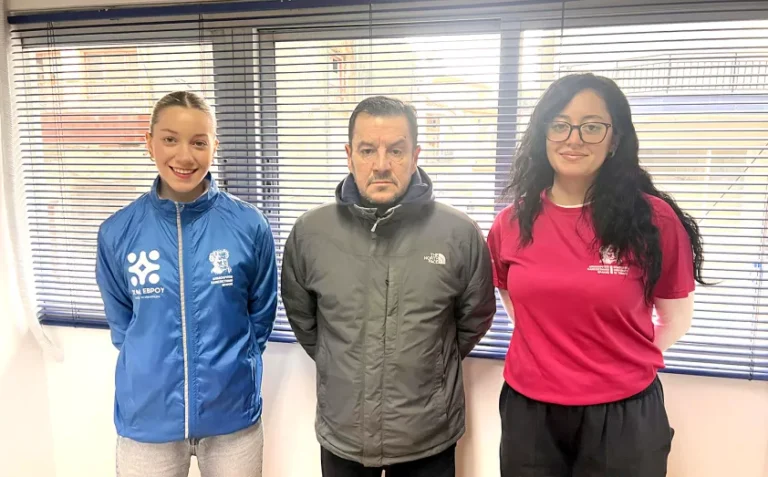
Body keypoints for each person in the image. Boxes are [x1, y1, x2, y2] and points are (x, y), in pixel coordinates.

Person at [488, 73, 706, 477]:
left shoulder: (653, 220)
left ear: (614, 138)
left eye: (591, 127)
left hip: (622, 417)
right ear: (543, 134)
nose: (573, 139)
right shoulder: (511, 223)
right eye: (560, 125)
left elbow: (676, 319)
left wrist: (616, 360)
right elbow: (516, 303)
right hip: (529, 413)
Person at [281, 96, 496, 476]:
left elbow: (473, 318)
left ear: (415, 156)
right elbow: (304, 320)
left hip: (428, 435)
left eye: (396, 150)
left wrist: (430, 364)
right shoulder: (310, 233)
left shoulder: (459, 234)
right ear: (349, 155)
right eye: (367, 150)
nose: (381, 164)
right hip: (343, 432)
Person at [95, 91, 277, 477]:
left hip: (232, 419)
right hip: (148, 421)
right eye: (170, 139)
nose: (184, 156)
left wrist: (231, 369)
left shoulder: (249, 225)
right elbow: (123, 326)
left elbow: (260, 317)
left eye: (198, 142)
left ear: (214, 146)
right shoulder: (117, 232)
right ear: (149, 143)